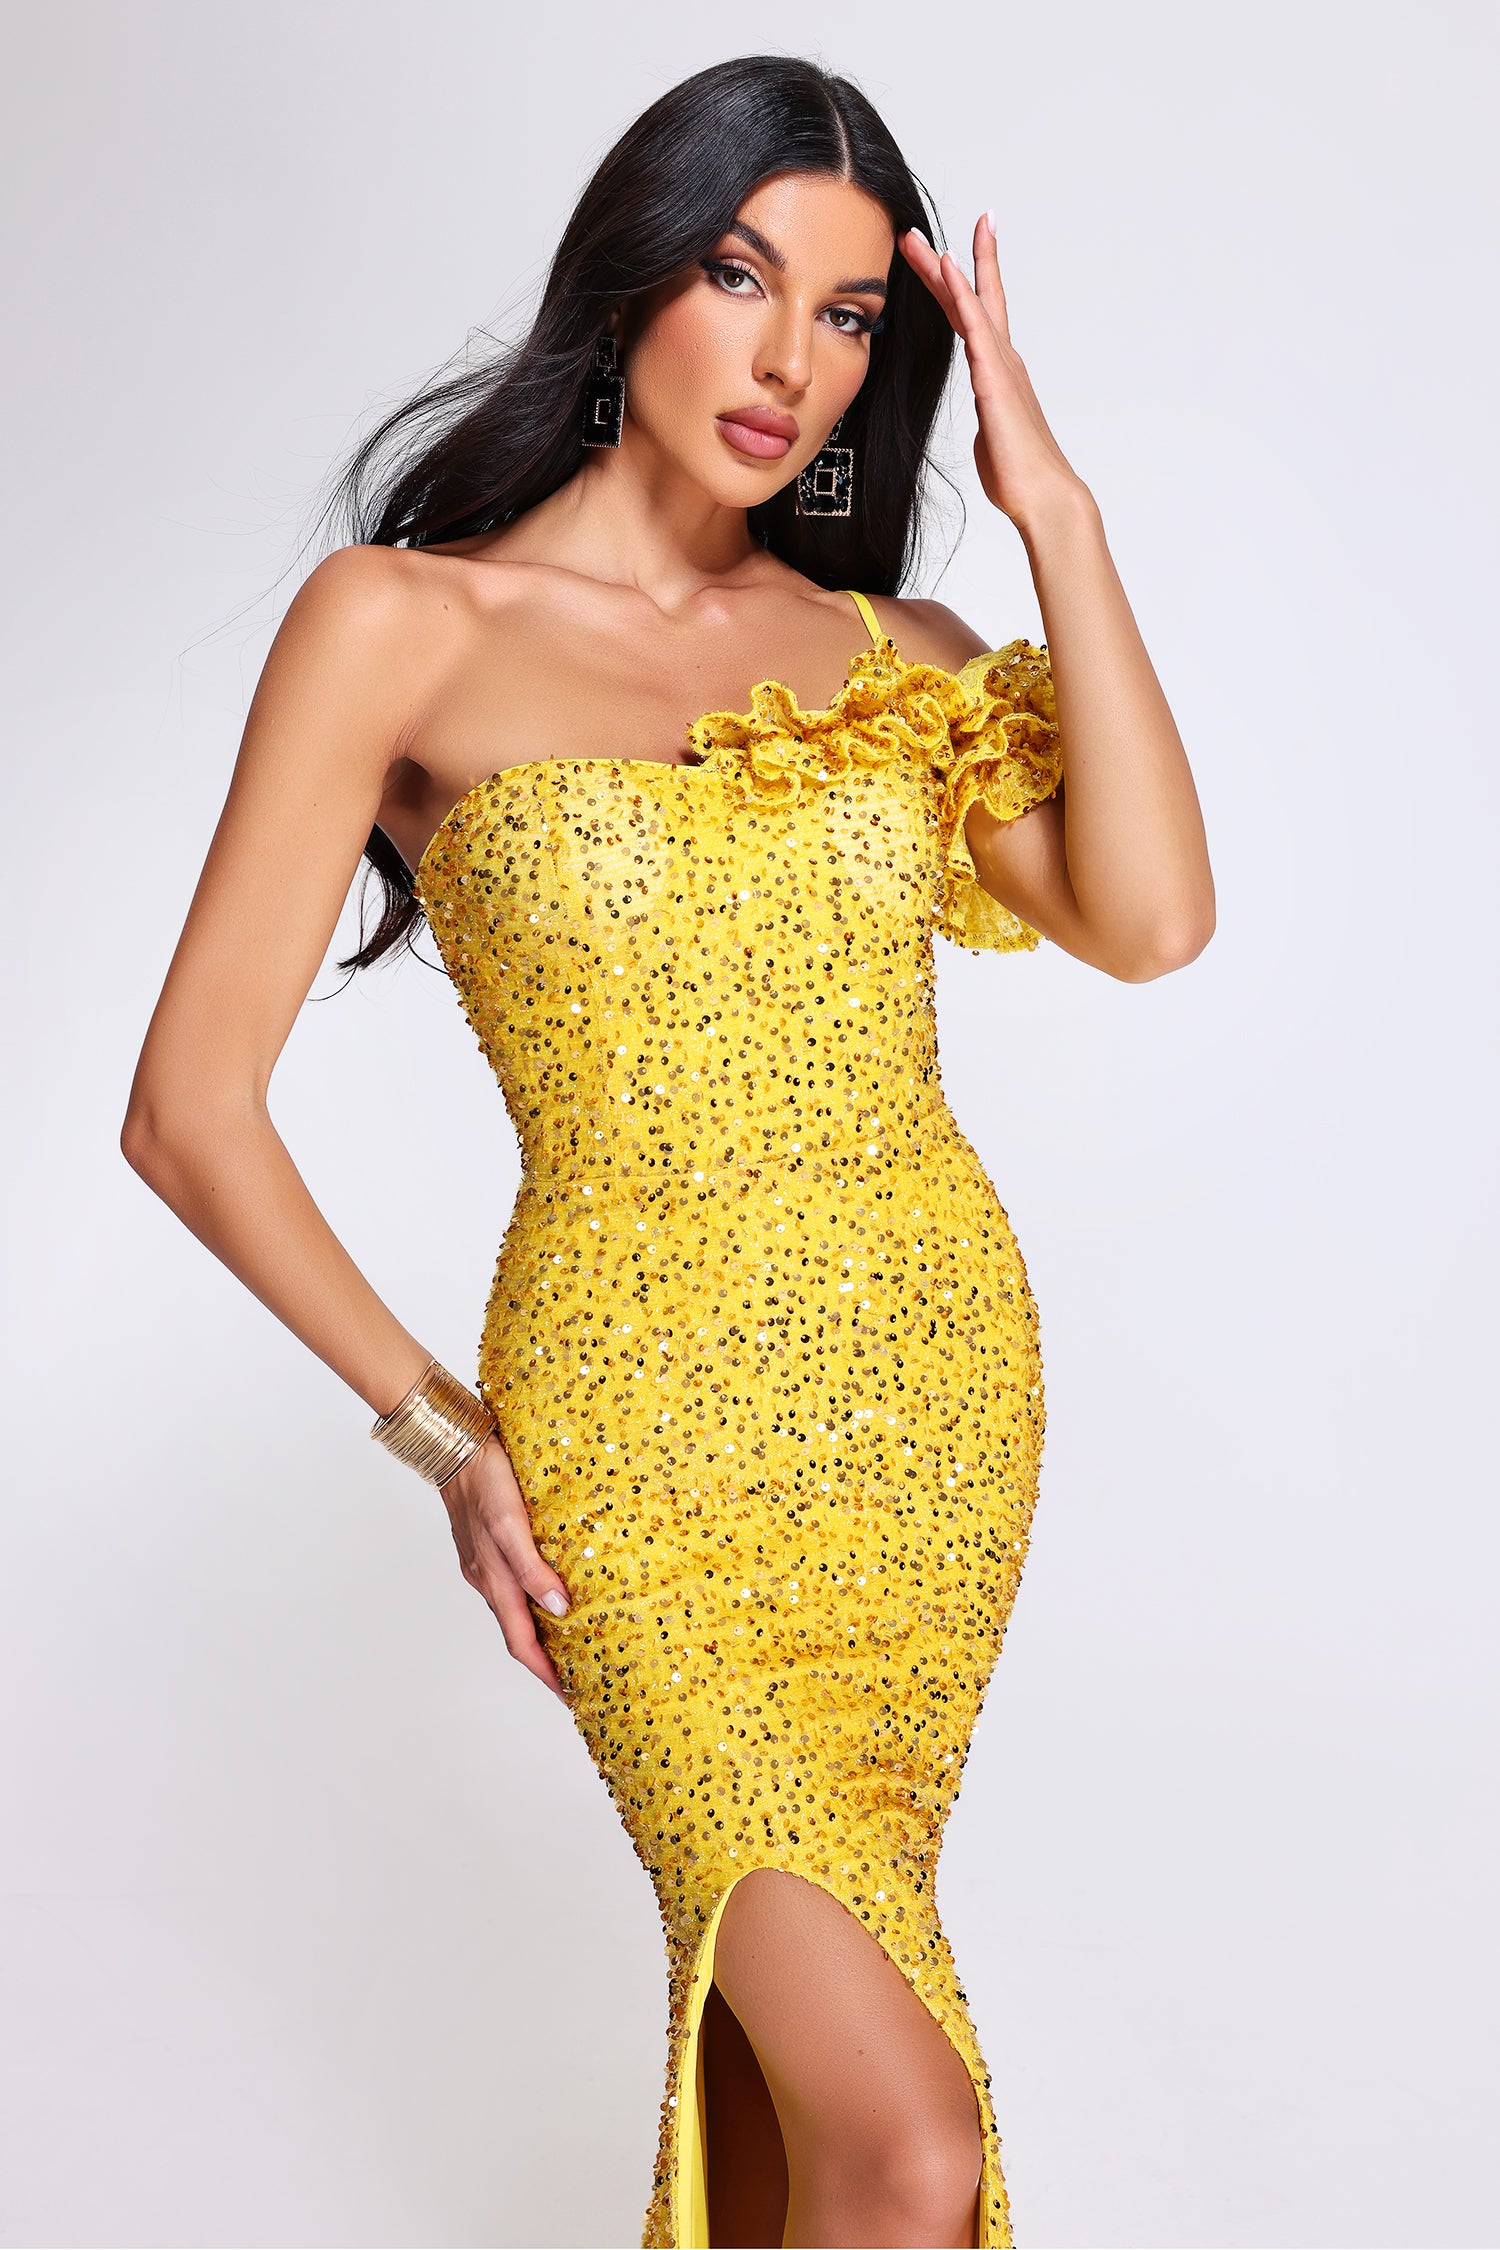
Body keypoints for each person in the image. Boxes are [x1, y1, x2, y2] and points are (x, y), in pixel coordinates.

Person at [122, 52, 1212, 2250]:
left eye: (849, 315)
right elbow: (187, 1108)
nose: (792, 359)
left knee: (823, 2116)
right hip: (637, 1439)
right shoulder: (401, 625)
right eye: (742, 276)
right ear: (631, 279)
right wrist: (445, 1437)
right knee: (910, 2139)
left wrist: (1060, 519)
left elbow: (1153, 918)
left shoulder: (894, 655)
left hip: (928, 1424)